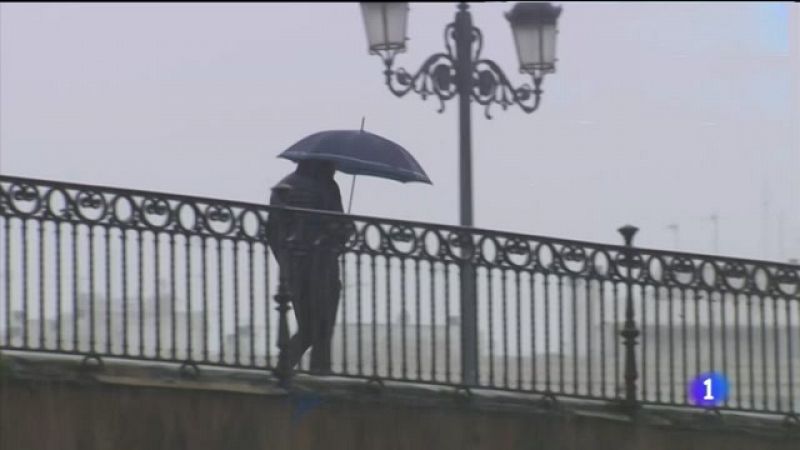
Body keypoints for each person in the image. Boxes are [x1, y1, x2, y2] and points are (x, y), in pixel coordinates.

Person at [266, 159, 350, 374]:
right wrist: (344, 229)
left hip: (293, 269)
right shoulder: (327, 186)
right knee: (322, 325)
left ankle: (284, 365)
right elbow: (338, 227)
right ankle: (317, 371)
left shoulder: (283, 187)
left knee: (308, 325)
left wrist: (286, 260)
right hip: (322, 266)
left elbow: (273, 232)